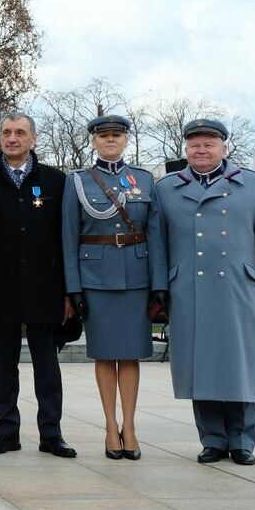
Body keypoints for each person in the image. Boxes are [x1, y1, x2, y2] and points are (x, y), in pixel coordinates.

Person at [155, 118, 255, 465]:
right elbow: (158, 244)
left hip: (238, 286)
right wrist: (159, 289)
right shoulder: (166, 188)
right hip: (188, 287)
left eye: (209, 143)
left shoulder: (254, 185)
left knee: (237, 364)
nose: (201, 149)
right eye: (194, 143)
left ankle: (242, 441)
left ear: (224, 147)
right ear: (186, 148)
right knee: (201, 364)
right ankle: (211, 439)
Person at [0, 111, 77, 458]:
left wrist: (67, 291)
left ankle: (51, 433)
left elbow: (65, 240)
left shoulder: (56, 182)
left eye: (20, 133)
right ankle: (7, 431)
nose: (12, 138)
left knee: (46, 365)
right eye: (6, 132)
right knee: (4, 365)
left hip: (44, 287)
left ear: (33, 139)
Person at [61, 115, 166, 461]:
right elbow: (68, 237)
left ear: (126, 140)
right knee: (105, 354)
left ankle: (131, 426)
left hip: (137, 277)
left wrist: (159, 284)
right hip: (96, 279)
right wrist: (73, 287)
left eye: (116, 136)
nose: (110, 141)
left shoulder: (146, 180)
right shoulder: (77, 181)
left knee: (131, 354)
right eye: (103, 136)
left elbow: (157, 236)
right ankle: (110, 426)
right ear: (93, 140)